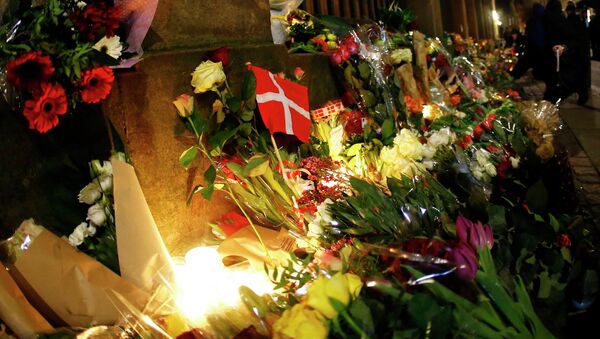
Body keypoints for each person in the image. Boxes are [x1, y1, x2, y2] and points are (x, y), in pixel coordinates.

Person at [543, 0, 575, 103]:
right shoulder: (562, 20)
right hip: (559, 55)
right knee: (555, 81)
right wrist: (563, 47)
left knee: (551, 83)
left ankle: (550, 103)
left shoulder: (545, 20)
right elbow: (570, 38)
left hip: (550, 56)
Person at [510, 1, 548, 82]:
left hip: (547, 68)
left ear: (524, 6)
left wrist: (514, 74)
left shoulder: (535, 20)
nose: (518, 14)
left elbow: (534, 50)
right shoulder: (538, 16)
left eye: (518, 10)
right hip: (547, 67)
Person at [565, 2, 591, 104]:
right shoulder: (579, 21)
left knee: (577, 75)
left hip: (575, 52)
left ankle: (582, 94)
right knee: (581, 73)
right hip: (582, 50)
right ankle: (583, 93)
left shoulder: (569, 21)